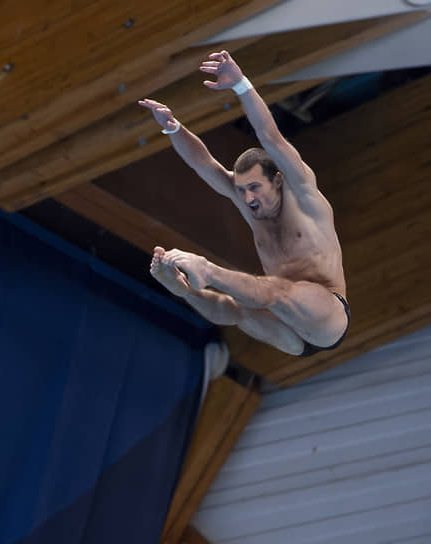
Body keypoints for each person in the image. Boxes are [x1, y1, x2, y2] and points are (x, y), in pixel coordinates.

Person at [137, 50, 349, 357]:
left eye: (254, 188)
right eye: (241, 190)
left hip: (325, 315)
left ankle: (207, 272)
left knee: (276, 290)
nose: (248, 198)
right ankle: (184, 289)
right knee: (234, 309)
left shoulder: (303, 195)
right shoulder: (247, 202)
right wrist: (173, 129)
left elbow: (271, 138)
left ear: (277, 180)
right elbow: (204, 165)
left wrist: (241, 86)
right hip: (290, 333)